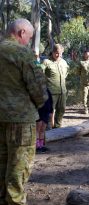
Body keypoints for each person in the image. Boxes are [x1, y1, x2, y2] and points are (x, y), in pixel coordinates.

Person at [0, 18, 48, 205]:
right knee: (19, 165)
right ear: (21, 33)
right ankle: (14, 201)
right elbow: (38, 89)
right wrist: (41, 105)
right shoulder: (22, 53)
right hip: (20, 120)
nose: (28, 41)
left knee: (1, 162)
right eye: (29, 37)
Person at [42, 44, 69, 128]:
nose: (58, 55)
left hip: (62, 91)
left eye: (60, 53)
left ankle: (57, 126)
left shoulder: (64, 62)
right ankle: (48, 129)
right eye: (57, 53)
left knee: (61, 109)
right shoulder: (46, 62)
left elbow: (66, 72)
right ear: (53, 52)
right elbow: (38, 72)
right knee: (50, 112)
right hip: (51, 92)